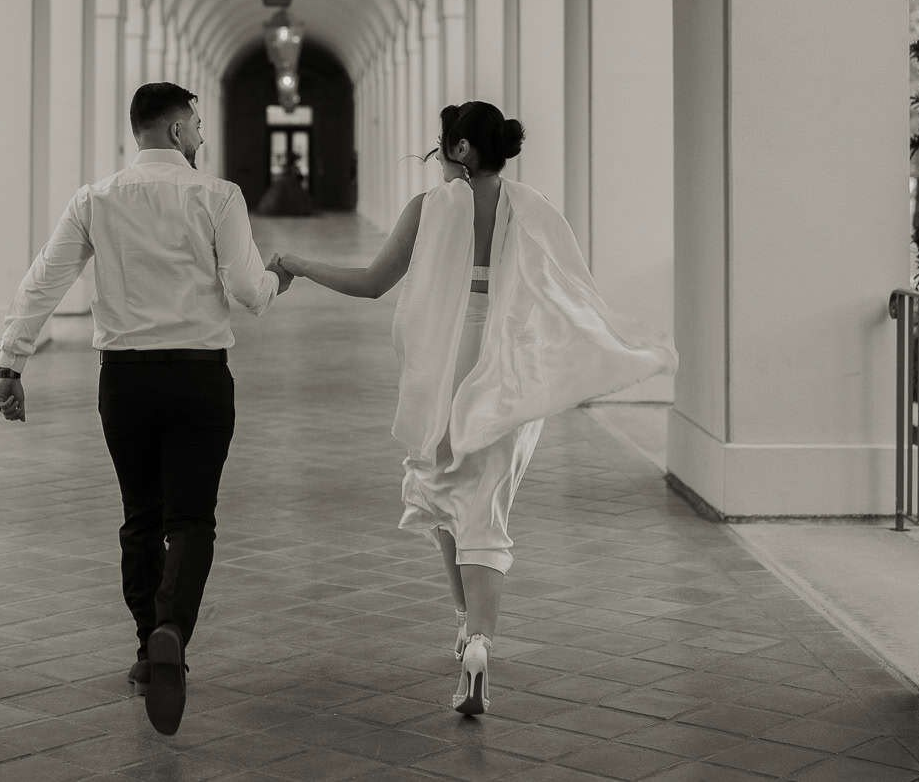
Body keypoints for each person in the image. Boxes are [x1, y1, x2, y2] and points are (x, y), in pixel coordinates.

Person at [270, 101, 674, 717]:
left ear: (461, 150)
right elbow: (569, 288)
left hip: (446, 360)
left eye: (443, 147)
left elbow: (372, 282)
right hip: (507, 359)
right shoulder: (532, 207)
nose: (438, 159)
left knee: (442, 491)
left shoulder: (430, 208)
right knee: (486, 501)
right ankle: (478, 640)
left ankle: (467, 626)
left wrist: (295, 262)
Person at [0, 82, 291, 736]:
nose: (203, 138)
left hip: (124, 379)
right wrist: (276, 280)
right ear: (179, 130)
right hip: (199, 374)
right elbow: (247, 291)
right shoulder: (218, 196)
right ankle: (171, 631)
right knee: (192, 519)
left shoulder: (94, 200)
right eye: (198, 127)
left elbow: (44, 278)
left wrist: (11, 361)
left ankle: (143, 650)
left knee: (139, 516)